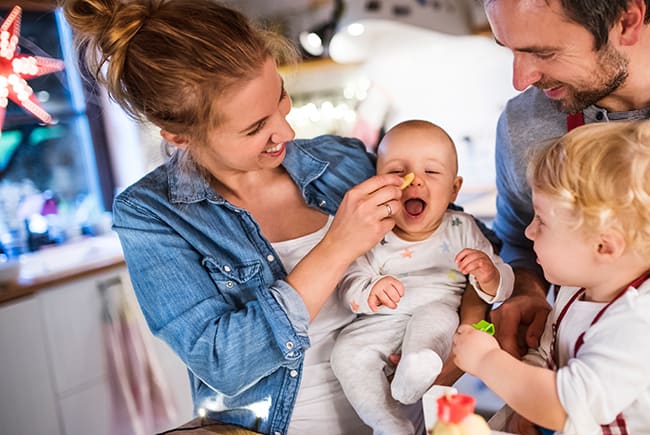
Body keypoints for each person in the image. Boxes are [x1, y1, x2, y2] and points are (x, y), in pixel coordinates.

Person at [63, 1, 492, 433]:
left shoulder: (342, 162)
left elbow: (473, 250)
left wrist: (470, 336)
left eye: (281, 97)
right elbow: (223, 362)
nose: (286, 133)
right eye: (255, 128)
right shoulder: (152, 215)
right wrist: (337, 246)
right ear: (179, 135)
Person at [483, 0, 650, 431]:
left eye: (544, 53)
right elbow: (519, 243)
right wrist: (525, 291)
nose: (521, 79)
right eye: (509, 49)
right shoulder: (523, 124)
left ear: (628, 21)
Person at [454, 119, 650, 434]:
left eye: (541, 220)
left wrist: (486, 361)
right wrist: (528, 405)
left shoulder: (643, 323)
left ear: (604, 246)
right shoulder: (576, 291)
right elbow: (548, 355)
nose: (528, 231)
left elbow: (563, 405)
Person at [330, 120, 514, 435]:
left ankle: (418, 367)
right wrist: (370, 289)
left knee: (433, 324)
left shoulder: (462, 228)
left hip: (437, 308)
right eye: (399, 172)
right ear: (379, 182)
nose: (414, 181)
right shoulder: (372, 230)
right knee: (345, 353)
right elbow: (349, 279)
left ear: (454, 189)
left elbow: (503, 284)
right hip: (381, 321)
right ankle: (387, 421)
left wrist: (488, 274)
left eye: (431, 172)